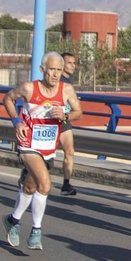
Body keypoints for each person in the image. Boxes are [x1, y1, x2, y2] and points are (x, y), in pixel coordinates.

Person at [2, 52, 82, 250]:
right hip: (28, 144)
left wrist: (65, 115)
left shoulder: (66, 90)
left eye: (59, 70)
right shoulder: (29, 88)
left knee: (30, 187)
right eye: (52, 70)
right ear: (42, 70)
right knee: (45, 185)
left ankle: (12, 220)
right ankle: (36, 231)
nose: (55, 74)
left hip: (48, 148)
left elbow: (78, 112)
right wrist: (17, 121)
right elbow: (8, 99)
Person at [57, 49, 80, 196]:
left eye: (74, 63)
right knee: (45, 154)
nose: (72, 66)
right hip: (50, 119)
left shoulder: (69, 80)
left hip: (64, 119)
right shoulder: (56, 78)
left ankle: (66, 184)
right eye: (69, 63)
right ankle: (27, 170)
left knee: (69, 151)